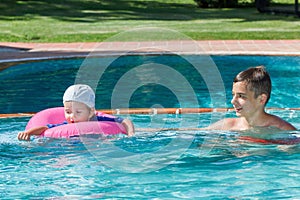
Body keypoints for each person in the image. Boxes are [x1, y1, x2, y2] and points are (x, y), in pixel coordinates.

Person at [18, 84, 135, 141]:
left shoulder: (100, 121)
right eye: (68, 112)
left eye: (78, 112)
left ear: (91, 112)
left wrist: (131, 135)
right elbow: (44, 128)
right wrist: (28, 133)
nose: (72, 116)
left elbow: (124, 121)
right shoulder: (67, 126)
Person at [206, 66, 296, 131]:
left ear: (261, 99)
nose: (233, 101)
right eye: (233, 95)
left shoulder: (283, 130)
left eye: (241, 96)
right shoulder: (227, 125)